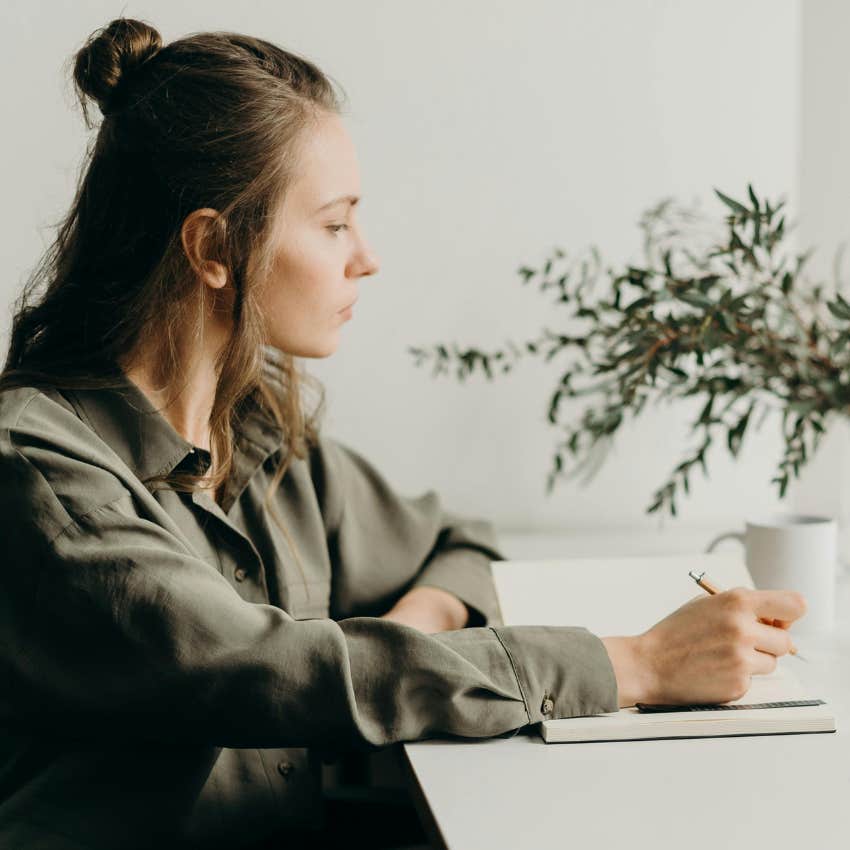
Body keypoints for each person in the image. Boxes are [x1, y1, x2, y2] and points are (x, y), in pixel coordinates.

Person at [0, 17, 807, 850]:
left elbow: (458, 544)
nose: (367, 258)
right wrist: (636, 664)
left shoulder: (257, 434)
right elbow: (272, 671)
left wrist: (413, 631)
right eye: (335, 223)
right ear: (214, 247)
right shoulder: (40, 473)